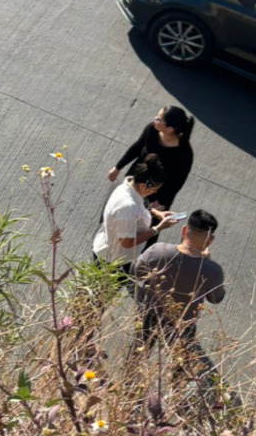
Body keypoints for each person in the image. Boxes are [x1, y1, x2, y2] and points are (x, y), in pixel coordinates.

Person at [134, 210, 226, 373]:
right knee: (180, 362)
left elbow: (137, 272)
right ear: (210, 240)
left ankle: (130, 384)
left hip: (150, 312)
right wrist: (207, 261)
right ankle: (174, 392)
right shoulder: (213, 270)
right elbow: (216, 298)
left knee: (139, 353)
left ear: (184, 230)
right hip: (183, 322)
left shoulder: (157, 250)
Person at [93, 154, 177, 276]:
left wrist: (156, 213)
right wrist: (157, 228)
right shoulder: (128, 207)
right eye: (154, 189)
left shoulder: (128, 186)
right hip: (113, 261)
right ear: (143, 186)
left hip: (108, 250)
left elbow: (140, 205)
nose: (154, 192)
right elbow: (127, 242)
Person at [108, 105, 195, 212]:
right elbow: (137, 147)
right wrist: (118, 167)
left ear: (169, 129)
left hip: (156, 195)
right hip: (137, 181)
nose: (154, 119)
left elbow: (177, 182)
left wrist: (162, 200)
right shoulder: (152, 129)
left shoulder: (184, 154)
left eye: (158, 119)